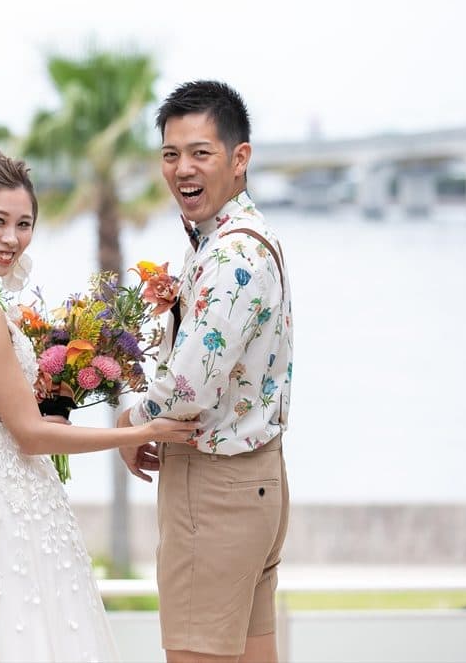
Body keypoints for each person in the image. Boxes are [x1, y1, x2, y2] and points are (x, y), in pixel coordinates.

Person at [0, 149, 199, 663]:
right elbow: (30, 437)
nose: (12, 238)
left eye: (24, 224)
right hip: (12, 519)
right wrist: (143, 432)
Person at [117, 81, 294, 663]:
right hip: (256, 480)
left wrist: (130, 422)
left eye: (200, 153)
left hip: (216, 490)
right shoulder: (247, 239)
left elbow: (188, 388)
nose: (182, 169)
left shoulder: (230, 255)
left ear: (240, 158)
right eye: (171, 154)